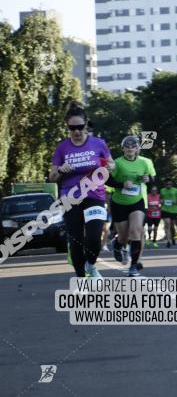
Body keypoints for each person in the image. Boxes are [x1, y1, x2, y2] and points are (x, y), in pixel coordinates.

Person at [48, 105, 114, 278]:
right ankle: (81, 278)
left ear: (86, 125)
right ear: (67, 127)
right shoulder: (62, 148)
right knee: (76, 240)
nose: (76, 131)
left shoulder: (99, 143)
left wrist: (109, 167)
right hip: (70, 197)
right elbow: (52, 176)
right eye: (72, 128)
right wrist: (61, 170)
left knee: (93, 237)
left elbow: (111, 164)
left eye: (80, 127)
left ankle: (91, 265)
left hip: (95, 195)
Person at [107, 135, 155, 276]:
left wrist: (148, 179)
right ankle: (118, 243)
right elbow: (108, 181)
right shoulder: (117, 163)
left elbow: (152, 180)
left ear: (138, 148)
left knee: (136, 232)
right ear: (122, 148)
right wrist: (122, 184)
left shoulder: (145, 163)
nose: (130, 149)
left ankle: (133, 266)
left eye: (133, 146)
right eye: (127, 146)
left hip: (137, 201)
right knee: (124, 237)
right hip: (119, 203)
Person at [159, 179, 177, 248]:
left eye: (170, 184)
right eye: (167, 184)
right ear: (165, 184)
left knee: (172, 226)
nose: (168, 185)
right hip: (165, 209)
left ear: (172, 184)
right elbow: (160, 199)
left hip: (174, 210)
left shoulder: (176, 190)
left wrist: (176, 202)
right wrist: (161, 201)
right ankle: (168, 241)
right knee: (167, 224)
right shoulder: (162, 190)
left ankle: (173, 237)